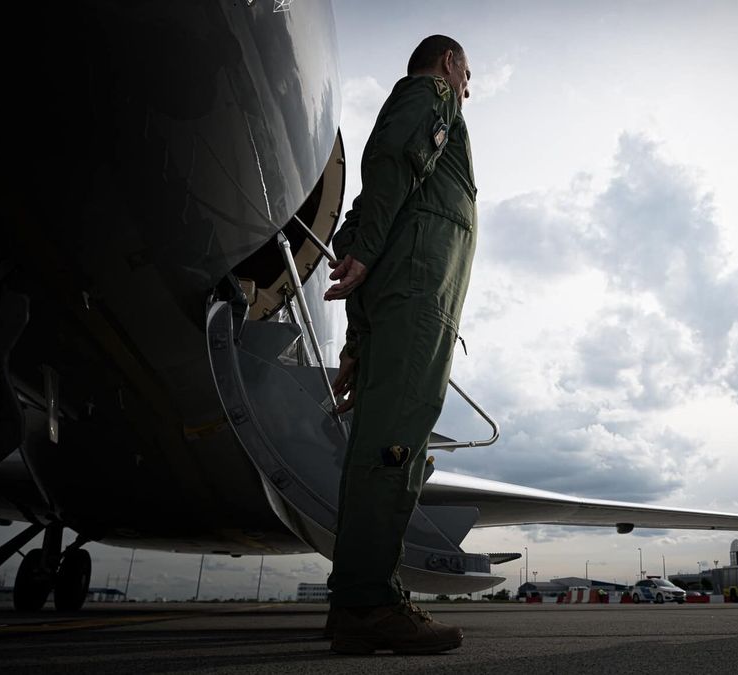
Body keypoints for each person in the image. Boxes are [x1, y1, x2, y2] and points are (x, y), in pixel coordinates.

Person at [321, 34, 476, 655]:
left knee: (383, 443)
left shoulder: (427, 135)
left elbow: (360, 224)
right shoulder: (431, 94)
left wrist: (357, 341)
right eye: (467, 71)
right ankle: (369, 603)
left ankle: (359, 602)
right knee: (396, 445)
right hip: (418, 298)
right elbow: (392, 156)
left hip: (403, 299)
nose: (468, 85)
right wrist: (365, 261)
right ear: (448, 62)